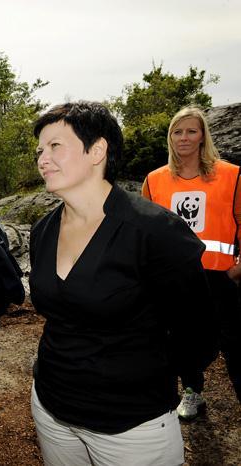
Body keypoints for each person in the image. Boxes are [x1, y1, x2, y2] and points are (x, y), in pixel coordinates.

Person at [29, 101, 213, 465]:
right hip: (52, 410)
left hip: (132, 426)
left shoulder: (155, 231)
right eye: (39, 150)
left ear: (97, 150)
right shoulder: (43, 231)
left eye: (55, 146)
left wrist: (143, 375)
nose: (42, 159)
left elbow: (198, 331)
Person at [143, 105, 241, 418]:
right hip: (174, 277)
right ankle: (192, 392)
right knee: (181, 341)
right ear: (170, 137)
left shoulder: (231, 175)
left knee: (232, 342)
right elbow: (144, 229)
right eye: (177, 131)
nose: (183, 138)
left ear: (202, 137)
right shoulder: (156, 180)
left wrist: (240, 266)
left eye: (191, 131)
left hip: (219, 276)